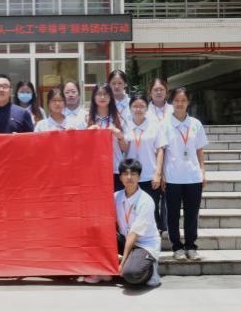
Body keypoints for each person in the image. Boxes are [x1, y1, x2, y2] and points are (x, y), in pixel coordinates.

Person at [84, 159, 162, 286]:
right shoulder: (116, 196)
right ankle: (104, 271)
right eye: (125, 174)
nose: (129, 177)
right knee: (94, 231)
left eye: (133, 174)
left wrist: (123, 261)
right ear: (120, 177)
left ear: (139, 177)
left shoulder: (146, 201)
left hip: (143, 244)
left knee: (131, 274)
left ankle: (151, 269)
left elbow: (133, 234)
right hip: (125, 239)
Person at [162, 87, 208, 261]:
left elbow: (199, 150)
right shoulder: (165, 124)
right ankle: (177, 247)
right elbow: (161, 151)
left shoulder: (195, 124)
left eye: (183, 100)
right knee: (173, 215)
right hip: (172, 177)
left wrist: (203, 171)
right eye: (176, 100)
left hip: (193, 176)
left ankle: (191, 246)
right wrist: (162, 174)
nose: (180, 104)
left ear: (188, 102)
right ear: (171, 102)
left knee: (192, 214)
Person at [124, 94, 167, 233]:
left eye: (142, 106)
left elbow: (160, 150)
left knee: (151, 209)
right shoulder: (125, 125)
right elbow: (122, 148)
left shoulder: (154, 126)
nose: (138, 109)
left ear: (147, 108)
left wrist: (158, 174)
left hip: (149, 176)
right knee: (133, 211)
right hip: (131, 176)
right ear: (130, 108)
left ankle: (153, 239)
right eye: (135, 106)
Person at [87, 83, 127, 191]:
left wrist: (120, 136)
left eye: (106, 94)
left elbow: (125, 148)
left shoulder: (119, 119)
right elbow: (81, 147)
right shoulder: (86, 118)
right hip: (94, 170)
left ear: (111, 97)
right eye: (99, 94)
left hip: (115, 169)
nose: (102, 97)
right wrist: (87, 134)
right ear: (94, 97)